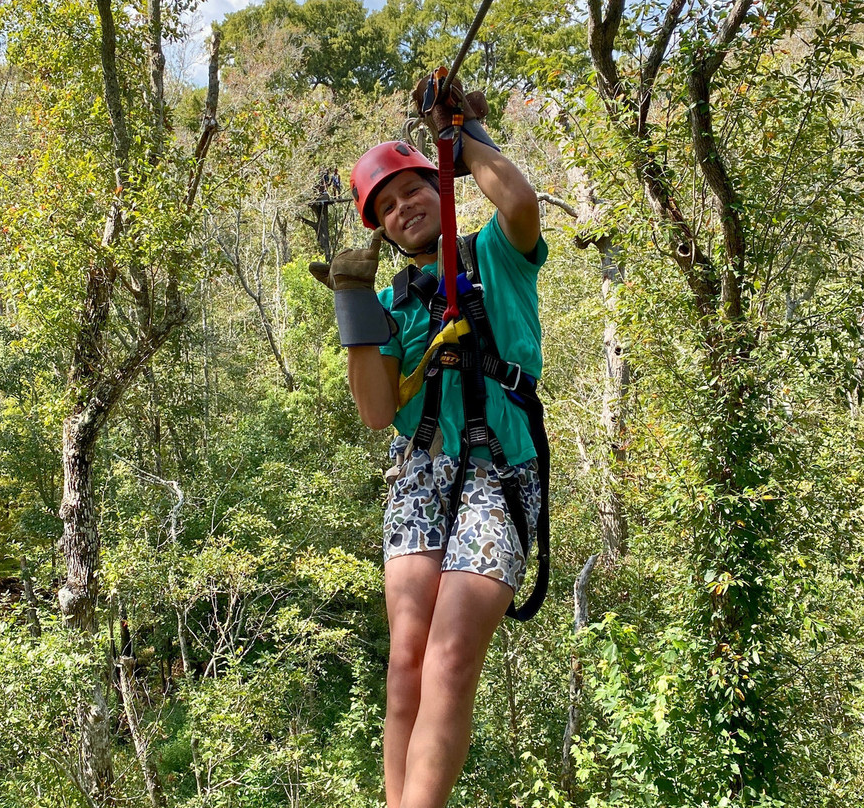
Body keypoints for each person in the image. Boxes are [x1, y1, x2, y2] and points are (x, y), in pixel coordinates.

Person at [311, 77, 547, 808]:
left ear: (437, 186)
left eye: (411, 190)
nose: (402, 208)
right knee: (406, 663)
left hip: (498, 472)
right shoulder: (387, 305)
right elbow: (378, 411)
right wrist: (354, 304)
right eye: (385, 207)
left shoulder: (494, 256)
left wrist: (463, 133)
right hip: (418, 475)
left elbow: (519, 204)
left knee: (448, 660)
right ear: (379, 230)